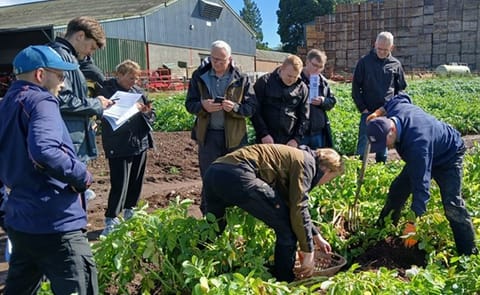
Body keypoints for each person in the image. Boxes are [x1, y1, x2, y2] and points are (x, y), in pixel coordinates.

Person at [0, 45, 98, 294]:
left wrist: (4, 210)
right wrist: (82, 176)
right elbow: (45, 150)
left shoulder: (5, 104)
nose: (63, 85)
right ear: (41, 75)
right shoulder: (41, 100)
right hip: (56, 223)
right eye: (61, 76)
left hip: (21, 223)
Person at [203, 144, 344, 282]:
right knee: (287, 229)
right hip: (239, 175)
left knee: (214, 226)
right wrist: (308, 252)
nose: (325, 183)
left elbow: (289, 204)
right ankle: (285, 281)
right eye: (331, 178)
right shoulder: (306, 164)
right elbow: (298, 207)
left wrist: (315, 235)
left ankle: (197, 257)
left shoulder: (297, 156)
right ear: (327, 170)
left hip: (214, 172)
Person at [366, 93, 478, 255]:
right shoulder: (396, 109)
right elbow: (401, 97)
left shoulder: (418, 144)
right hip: (427, 150)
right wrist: (378, 112)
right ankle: (382, 230)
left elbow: (421, 187)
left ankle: (468, 253)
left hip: (448, 156)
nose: (386, 147)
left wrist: (413, 223)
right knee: (398, 190)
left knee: (452, 204)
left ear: (392, 129)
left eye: (385, 143)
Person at [185, 40, 257, 214]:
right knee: (209, 177)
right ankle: (209, 217)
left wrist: (235, 108)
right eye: (213, 58)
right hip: (208, 137)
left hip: (234, 138)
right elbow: (189, 104)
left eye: (221, 60)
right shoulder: (199, 76)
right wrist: (203, 106)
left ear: (230, 59)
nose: (216, 63)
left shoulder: (242, 78)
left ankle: (232, 216)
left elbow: (252, 108)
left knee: (234, 177)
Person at [50, 16, 113, 201]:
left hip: (74, 136)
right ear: (79, 35)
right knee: (67, 195)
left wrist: (88, 118)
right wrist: (95, 105)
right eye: (91, 47)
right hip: (68, 139)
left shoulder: (70, 58)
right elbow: (62, 99)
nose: (89, 54)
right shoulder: (60, 58)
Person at [95, 60, 155, 236]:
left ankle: (130, 213)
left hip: (140, 142)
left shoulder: (138, 93)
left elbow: (152, 114)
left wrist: (146, 112)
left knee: (136, 181)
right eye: (131, 78)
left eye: (136, 78)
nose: (134, 82)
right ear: (119, 75)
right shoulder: (106, 92)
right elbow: (101, 114)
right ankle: (111, 219)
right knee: (119, 183)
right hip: (118, 144)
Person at [352, 31, 407, 163]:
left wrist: (393, 107)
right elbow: (355, 88)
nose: (381, 52)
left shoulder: (395, 64)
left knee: (382, 148)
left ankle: (380, 171)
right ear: (375, 44)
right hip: (368, 111)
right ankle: (359, 176)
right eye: (379, 48)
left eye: (385, 49)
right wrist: (363, 108)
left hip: (386, 113)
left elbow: (400, 89)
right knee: (362, 149)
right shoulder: (364, 62)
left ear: (391, 48)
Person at [252, 54, 309, 147]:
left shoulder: (302, 88)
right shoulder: (265, 82)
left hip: (289, 141)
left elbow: (305, 116)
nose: (291, 80)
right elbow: (255, 110)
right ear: (282, 68)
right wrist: (263, 134)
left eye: (295, 77)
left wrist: (296, 139)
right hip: (266, 139)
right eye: (289, 76)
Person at [300, 49, 336, 149]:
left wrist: (323, 101)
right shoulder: (297, 79)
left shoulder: (323, 82)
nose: (317, 69)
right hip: (300, 133)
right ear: (307, 62)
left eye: (320, 67)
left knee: (319, 162)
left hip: (317, 132)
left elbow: (332, 101)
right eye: (315, 65)